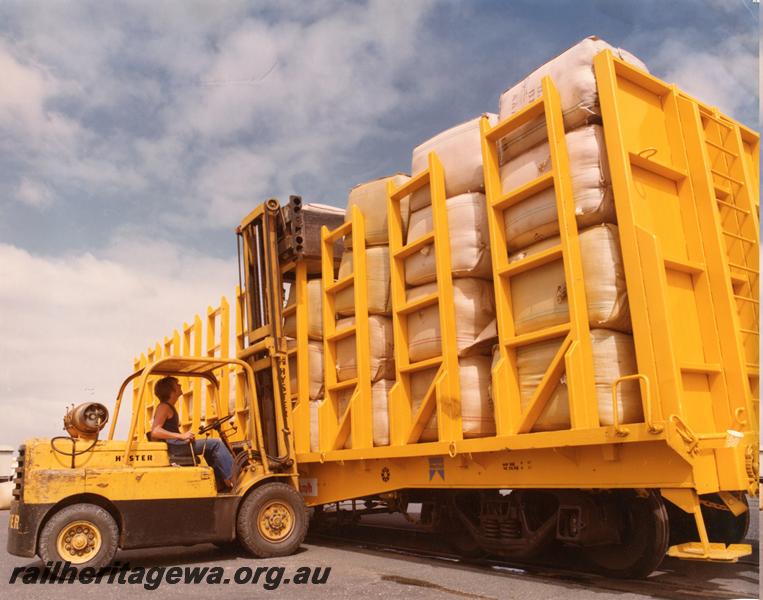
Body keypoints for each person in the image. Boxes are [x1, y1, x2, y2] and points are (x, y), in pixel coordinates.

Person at [151, 376, 234, 492]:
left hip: (176, 445)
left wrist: (183, 438)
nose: (180, 386)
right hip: (176, 448)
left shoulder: (168, 407)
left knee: (208, 448)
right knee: (216, 444)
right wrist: (181, 436)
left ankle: (220, 483)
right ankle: (235, 479)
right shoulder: (164, 407)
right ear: (171, 389)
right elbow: (155, 431)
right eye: (177, 384)